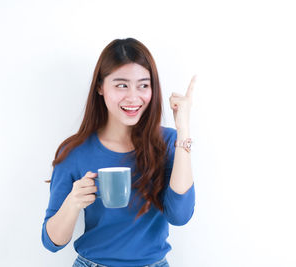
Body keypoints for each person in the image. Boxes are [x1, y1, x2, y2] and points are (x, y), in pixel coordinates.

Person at [41, 37, 196, 267]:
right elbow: (52, 241)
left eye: (143, 85)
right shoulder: (74, 151)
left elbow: (180, 216)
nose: (133, 97)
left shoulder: (168, 142)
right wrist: (73, 202)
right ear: (100, 87)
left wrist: (183, 130)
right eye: (121, 85)